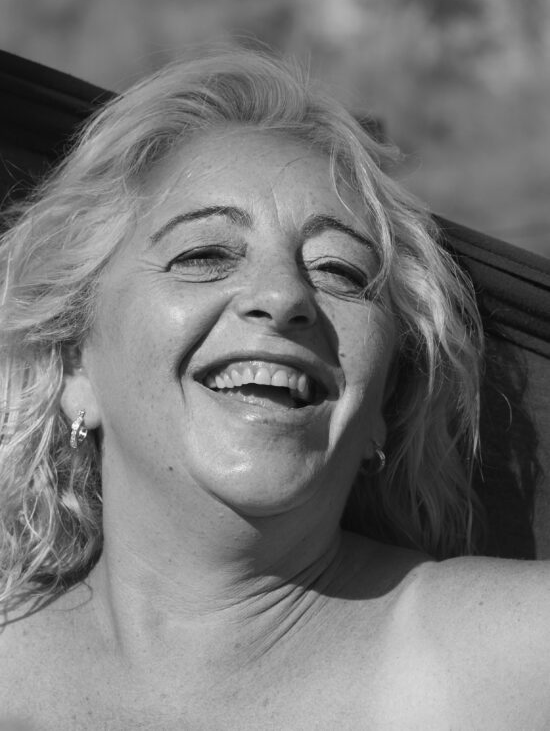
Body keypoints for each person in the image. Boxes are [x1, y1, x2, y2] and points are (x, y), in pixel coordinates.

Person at [0, 48, 548, 730]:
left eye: (340, 272)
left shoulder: (518, 662)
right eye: (205, 254)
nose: (285, 296)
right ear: (74, 366)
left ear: (385, 402)